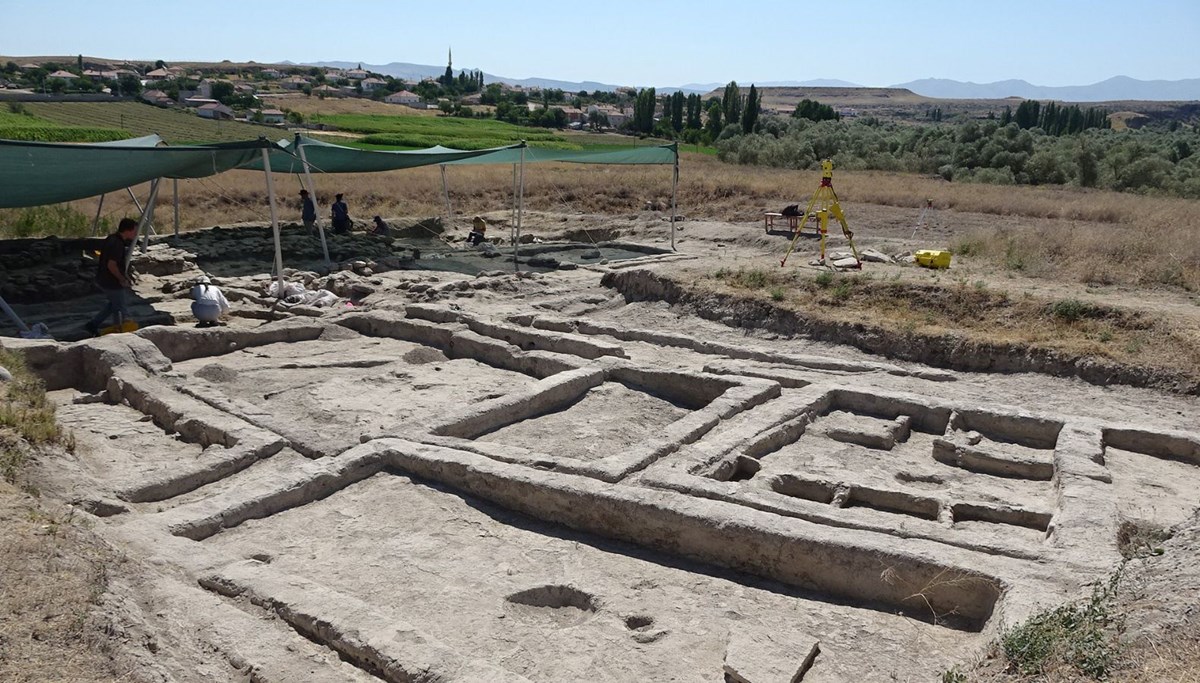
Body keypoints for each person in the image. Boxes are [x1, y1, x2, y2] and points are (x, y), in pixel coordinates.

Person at [85, 217, 138, 336]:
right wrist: (121, 279)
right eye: (134, 231)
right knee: (122, 305)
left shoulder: (111, 238)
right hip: (111, 281)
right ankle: (125, 329)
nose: (136, 233)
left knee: (113, 305)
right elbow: (111, 265)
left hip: (103, 278)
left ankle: (95, 324)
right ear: (127, 230)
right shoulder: (117, 244)